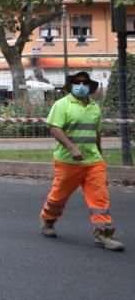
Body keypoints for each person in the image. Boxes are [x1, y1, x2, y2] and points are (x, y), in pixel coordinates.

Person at [40, 71, 123, 251]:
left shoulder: (94, 107)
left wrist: (100, 155)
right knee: (59, 196)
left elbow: (96, 134)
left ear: (90, 86)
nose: (81, 85)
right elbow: (55, 129)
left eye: (85, 82)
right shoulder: (62, 105)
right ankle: (48, 221)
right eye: (77, 82)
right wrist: (72, 148)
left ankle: (104, 233)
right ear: (70, 85)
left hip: (93, 161)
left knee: (100, 198)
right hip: (68, 161)